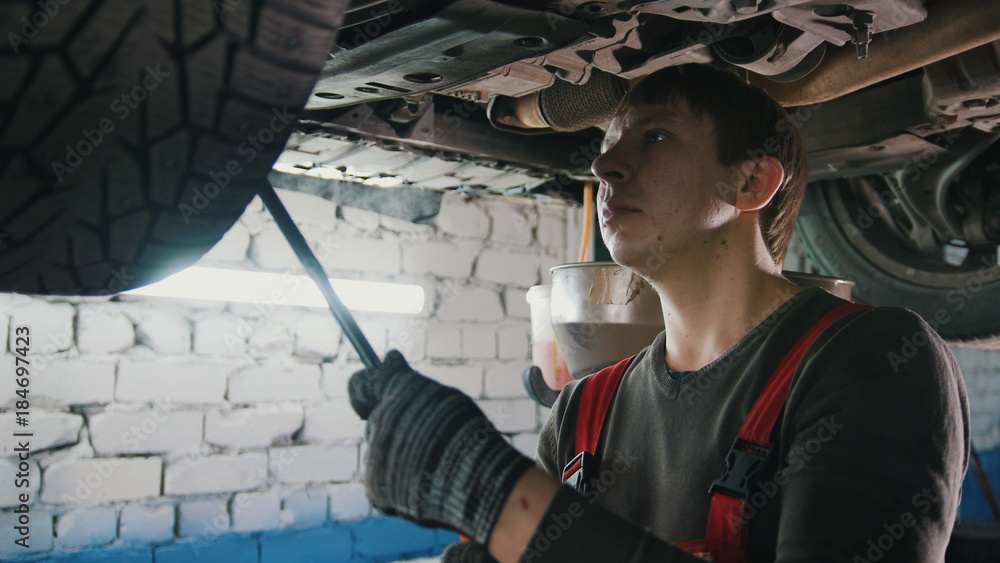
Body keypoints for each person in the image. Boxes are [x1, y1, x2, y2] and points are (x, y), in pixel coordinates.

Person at [348, 64, 970, 562]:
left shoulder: (872, 359)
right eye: (607, 145)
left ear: (752, 182)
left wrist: (500, 497)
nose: (603, 166)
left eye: (657, 137)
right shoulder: (584, 411)